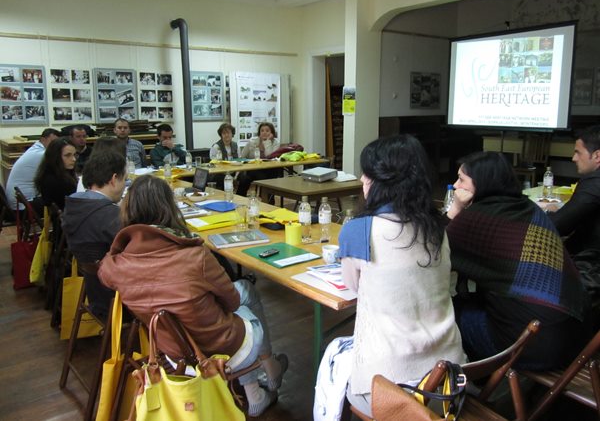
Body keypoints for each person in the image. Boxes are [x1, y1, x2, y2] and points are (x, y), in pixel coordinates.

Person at [98, 175, 288, 417]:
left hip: (174, 353)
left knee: (240, 297)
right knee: (246, 298)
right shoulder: (194, 255)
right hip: (223, 349)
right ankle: (267, 375)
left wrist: (123, 241)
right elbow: (231, 302)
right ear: (169, 208)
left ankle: (260, 385)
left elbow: (104, 271)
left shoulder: (117, 265)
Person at [323, 135, 465, 418]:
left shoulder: (360, 230)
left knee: (331, 359)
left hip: (391, 392)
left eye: (368, 173)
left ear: (382, 181)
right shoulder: (438, 228)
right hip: (450, 384)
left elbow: (352, 285)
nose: (363, 179)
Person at [446, 151, 586, 370]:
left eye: (462, 179)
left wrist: (456, 209)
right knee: (474, 301)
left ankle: (463, 384)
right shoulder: (528, 208)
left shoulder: (478, 217)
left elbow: (435, 252)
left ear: (482, 182)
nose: (455, 186)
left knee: (445, 314)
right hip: (573, 335)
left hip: (531, 345)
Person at [62, 150, 126, 319]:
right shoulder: (109, 215)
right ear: (113, 180)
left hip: (96, 292)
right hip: (119, 299)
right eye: (124, 180)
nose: (124, 186)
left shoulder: (75, 204)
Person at [547, 125, 600, 255]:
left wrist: (546, 212)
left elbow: (558, 225)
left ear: (597, 155)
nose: (573, 158)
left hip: (589, 265)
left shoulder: (594, 182)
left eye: (578, 152)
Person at [6, 128, 59, 212]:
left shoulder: (35, 149)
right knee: (60, 198)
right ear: (43, 140)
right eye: (52, 142)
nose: (55, 146)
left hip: (18, 202)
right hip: (22, 207)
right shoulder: (41, 154)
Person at [237, 122, 281, 196]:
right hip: (252, 169)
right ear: (259, 132)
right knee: (244, 178)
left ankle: (268, 199)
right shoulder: (252, 141)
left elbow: (269, 156)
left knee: (270, 176)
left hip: (269, 169)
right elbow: (243, 156)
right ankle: (240, 197)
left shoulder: (276, 142)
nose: (264, 133)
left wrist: (267, 141)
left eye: (267, 131)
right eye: (262, 130)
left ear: (272, 133)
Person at [34, 138, 78, 210]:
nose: (74, 159)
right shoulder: (54, 180)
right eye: (68, 155)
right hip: (66, 217)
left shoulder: (52, 172)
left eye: (74, 155)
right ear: (55, 157)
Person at [209, 123, 239, 189]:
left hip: (234, 172)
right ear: (221, 135)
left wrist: (236, 176)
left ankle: (240, 195)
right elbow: (214, 164)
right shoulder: (216, 147)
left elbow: (240, 160)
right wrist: (229, 176)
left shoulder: (236, 145)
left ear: (232, 134)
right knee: (222, 179)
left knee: (245, 177)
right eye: (224, 133)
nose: (226, 135)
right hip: (220, 173)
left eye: (228, 133)